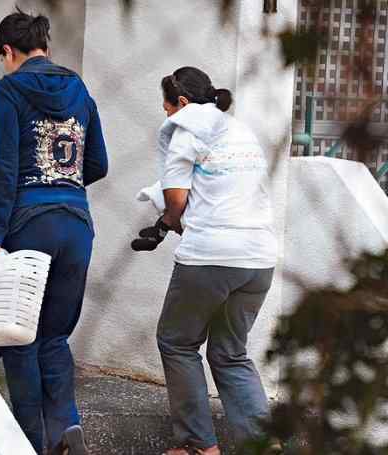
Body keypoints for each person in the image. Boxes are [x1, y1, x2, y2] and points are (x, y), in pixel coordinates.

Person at [0, 8, 107, 455]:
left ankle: (28, 441)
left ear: (8, 52)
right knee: (54, 337)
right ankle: (67, 427)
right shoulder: (79, 88)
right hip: (76, 225)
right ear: (45, 47)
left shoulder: (8, 90)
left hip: (28, 225)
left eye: (2, 58)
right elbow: (98, 164)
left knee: (19, 337)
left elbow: (5, 165)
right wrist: (63, 187)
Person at [152, 67, 278, 455]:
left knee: (176, 341)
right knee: (229, 352)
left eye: (167, 107)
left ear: (183, 103)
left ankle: (196, 446)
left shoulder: (185, 130)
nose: (166, 115)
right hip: (258, 259)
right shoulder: (240, 131)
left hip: (210, 256)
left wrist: (166, 222)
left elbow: (176, 203)